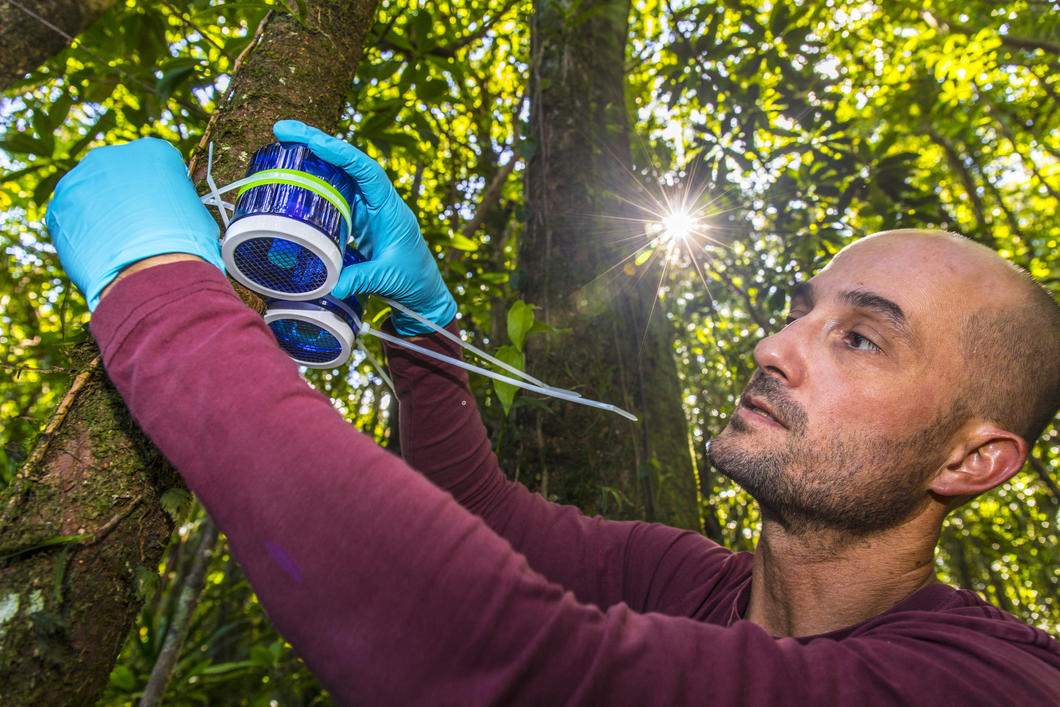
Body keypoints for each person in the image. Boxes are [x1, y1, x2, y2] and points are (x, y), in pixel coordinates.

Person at [45, 121, 1060, 705]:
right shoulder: (694, 580)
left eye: (860, 337)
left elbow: (498, 660)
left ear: (975, 459)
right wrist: (423, 331)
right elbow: (481, 512)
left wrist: (160, 297)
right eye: (800, 312)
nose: (772, 347)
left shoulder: (992, 684)